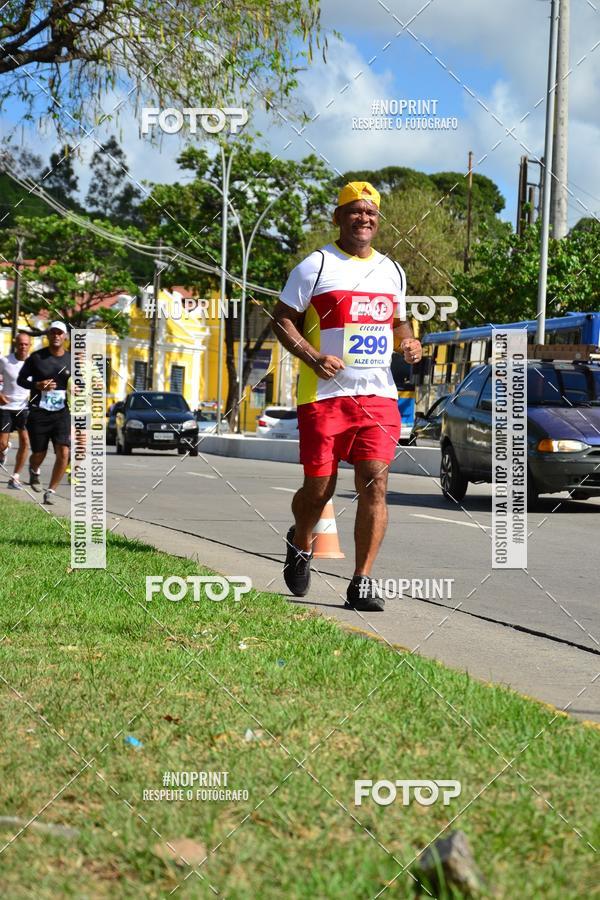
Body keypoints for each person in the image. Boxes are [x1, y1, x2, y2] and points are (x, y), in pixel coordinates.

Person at [273, 181, 423, 611]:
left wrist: (408, 342)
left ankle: (362, 581)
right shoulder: (316, 266)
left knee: (376, 482)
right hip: (323, 397)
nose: (364, 218)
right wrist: (312, 356)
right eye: (355, 211)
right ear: (338, 217)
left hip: (377, 396)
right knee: (319, 489)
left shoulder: (392, 270)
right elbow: (282, 319)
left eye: (371, 212)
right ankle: (301, 540)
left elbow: (398, 322)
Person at [17, 321, 72, 504]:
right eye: (53, 332)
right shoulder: (37, 358)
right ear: (48, 335)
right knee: (39, 453)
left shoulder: (71, 360)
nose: (56, 336)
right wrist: (37, 385)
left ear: (65, 336)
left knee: (64, 452)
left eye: (59, 333)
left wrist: (78, 389)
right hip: (39, 412)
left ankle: (51, 491)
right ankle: (34, 469)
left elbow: (81, 382)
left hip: (62, 412)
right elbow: (20, 380)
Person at [0, 332, 31, 489]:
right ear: (15, 344)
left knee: (25, 441)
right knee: (2, 443)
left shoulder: (34, 363)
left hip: (24, 408)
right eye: (20, 344)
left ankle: (15, 477)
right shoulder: (5, 361)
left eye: (26, 344)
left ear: (29, 345)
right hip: (6, 407)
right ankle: (3, 451)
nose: (23, 346)